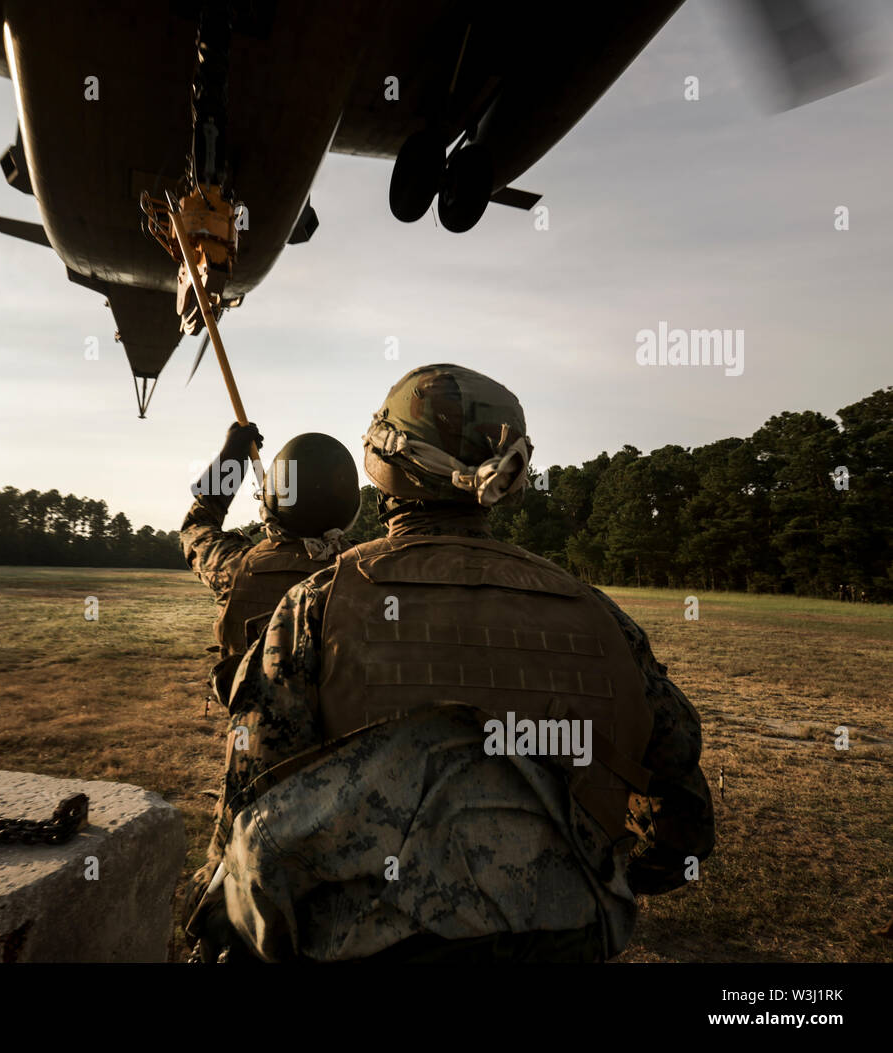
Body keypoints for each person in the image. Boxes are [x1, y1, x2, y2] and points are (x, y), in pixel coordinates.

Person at [184, 364, 715, 964]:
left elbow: (250, 819)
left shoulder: (316, 605)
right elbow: (683, 807)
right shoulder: (600, 615)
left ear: (384, 470)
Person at [181, 421, 362, 707]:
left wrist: (233, 457)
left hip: (255, 745)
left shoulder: (234, 569)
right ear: (351, 507)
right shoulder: (369, 571)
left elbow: (197, 525)